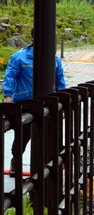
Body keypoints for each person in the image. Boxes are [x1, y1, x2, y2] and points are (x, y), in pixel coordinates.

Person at [3, 28, 66, 177]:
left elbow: (60, 82)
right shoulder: (19, 57)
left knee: (48, 136)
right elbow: (10, 76)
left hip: (47, 103)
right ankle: (15, 162)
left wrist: (63, 100)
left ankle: (46, 168)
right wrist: (7, 96)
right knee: (23, 135)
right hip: (25, 103)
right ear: (32, 37)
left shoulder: (54, 59)